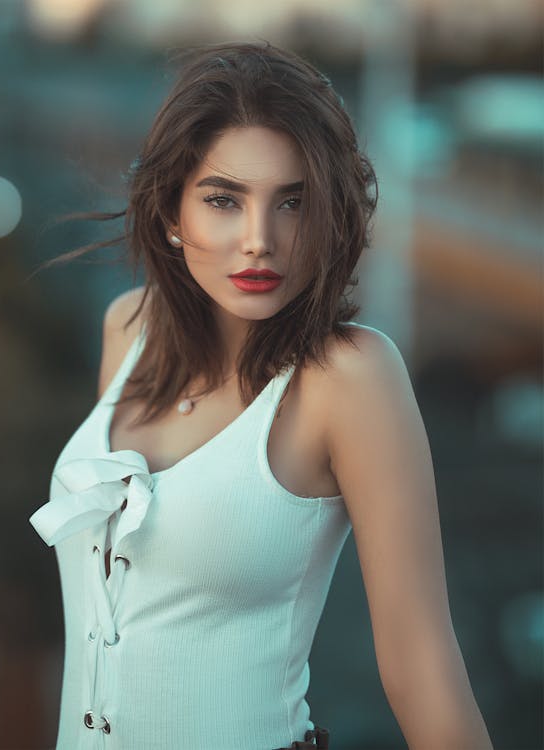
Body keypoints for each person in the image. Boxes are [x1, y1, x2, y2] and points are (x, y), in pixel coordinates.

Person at [29, 41, 493, 750]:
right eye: (223, 200)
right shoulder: (127, 330)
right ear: (171, 215)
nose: (259, 240)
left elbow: (420, 665)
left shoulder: (350, 380)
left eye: (293, 203)